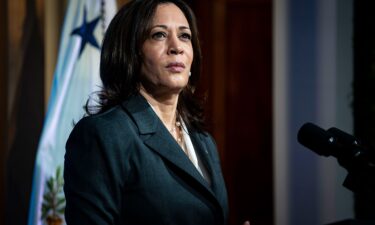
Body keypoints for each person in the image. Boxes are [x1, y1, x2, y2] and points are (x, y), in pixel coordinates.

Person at [64, 0, 248, 224]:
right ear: (131, 52)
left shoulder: (204, 141)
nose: (176, 47)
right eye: (159, 35)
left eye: (185, 36)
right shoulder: (104, 134)